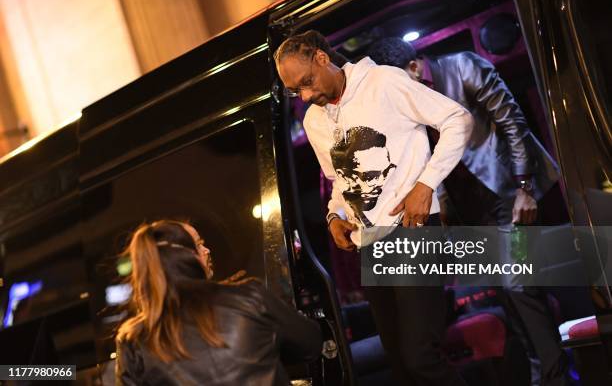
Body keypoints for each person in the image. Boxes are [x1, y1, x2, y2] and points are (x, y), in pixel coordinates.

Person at [275, 30, 473, 385]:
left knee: (421, 357)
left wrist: (426, 184)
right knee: (400, 363)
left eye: (306, 82)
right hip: (371, 243)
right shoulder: (314, 120)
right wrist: (334, 215)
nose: (306, 96)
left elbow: (458, 119)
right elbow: (339, 182)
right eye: (296, 91)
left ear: (323, 58)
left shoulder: (384, 82)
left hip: (413, 233)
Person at [368, 37, 568, 386]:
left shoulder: (464, 66)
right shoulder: (407, 102)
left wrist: (525, 188)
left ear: (414, 67)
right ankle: (540, 372)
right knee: (504, 292)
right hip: (469, 210)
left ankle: (556, 376)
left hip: (507, 192)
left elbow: (512, 122)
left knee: (519, 285)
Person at [115, 219, 321, 386]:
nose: (207, 250)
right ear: (187, 256)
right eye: (198, 245)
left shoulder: (132, 339)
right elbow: (311, 344)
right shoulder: (248, 296)